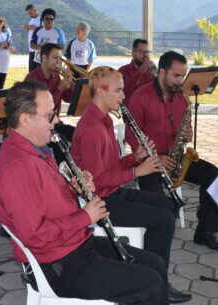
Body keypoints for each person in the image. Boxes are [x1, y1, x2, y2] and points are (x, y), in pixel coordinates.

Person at [0, 80, 168, 305]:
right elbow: (35, 235)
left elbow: (45, 198)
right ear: (25, 119)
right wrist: (86, 216)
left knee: (156, 264)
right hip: (59, 265)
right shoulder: (17, 167)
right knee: (150, 283)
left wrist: (71, 188)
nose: (56, 120)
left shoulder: (35, 149)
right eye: (49, 115)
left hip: (75, 246)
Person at [70, 66, 192, 303]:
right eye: (118, 91)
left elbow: (110, 167)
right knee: (163, 220)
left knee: (168, 206)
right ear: (101, 92)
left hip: (113, 193)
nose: (123, 96)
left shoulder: (104, 120)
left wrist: (134, 157)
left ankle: (153, 273)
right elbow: (96, 182)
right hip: (101, 203)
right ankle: (155, 282)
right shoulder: (92, 128)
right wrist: (138, 170)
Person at [123, 52, 218, 250]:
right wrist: (157, 158)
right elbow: (132, 136)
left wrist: (188, 134)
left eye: (183, 76)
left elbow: (184, 129)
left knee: (213, 175)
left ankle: (205, 232)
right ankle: (151, 245)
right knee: (159, 203)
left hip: (176, 157)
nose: (181, 82)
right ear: (162, 72)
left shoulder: (181, 99)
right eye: (176, 76)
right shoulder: (140, 97)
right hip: (149, 163)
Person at [25, 43, 75, 144]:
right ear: (44, 58)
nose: (59, 62)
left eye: (60, 58)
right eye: (55, 58)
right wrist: (60, 88)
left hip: (53, 123)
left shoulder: (55, 76)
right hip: (37, 127)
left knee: (79, 135)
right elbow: (43, 110)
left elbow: (68, 98)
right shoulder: (33, 79)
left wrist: (70, 83)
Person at [23, 4, 41, 71]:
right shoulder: (31, 20)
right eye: (28, 13)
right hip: (31, 49)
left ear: (35, 10)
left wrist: (30, 27)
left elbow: (42, 29)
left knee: (37, 70)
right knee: (31, 71)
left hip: (38, 50)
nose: (29, 15)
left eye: (30, 13)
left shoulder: (41, 19)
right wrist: (28, 28)